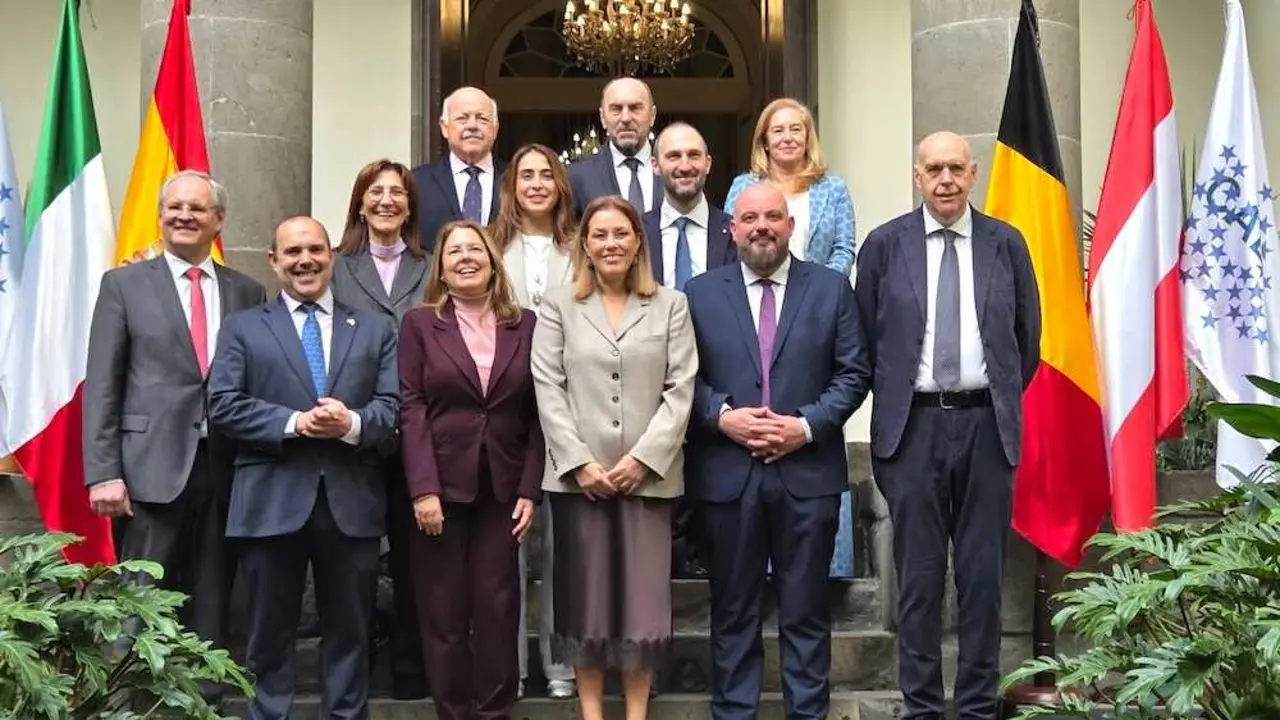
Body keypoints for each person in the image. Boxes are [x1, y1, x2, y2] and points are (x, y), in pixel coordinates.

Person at [854, 131, 1040, 720]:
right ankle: (923, 709)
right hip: (913, 431)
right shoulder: (885, 246)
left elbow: (1026, 343)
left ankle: (978, 707)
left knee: (982, 581)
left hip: (987, 428)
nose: (945, 180)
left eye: (956, 168)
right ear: (917, 176)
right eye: (934, 169)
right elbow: (866, 340)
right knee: (919, 581)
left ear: (973, 173)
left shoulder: (1006, 244)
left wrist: (989, 397)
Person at [684, 183, 867, 720]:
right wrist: (723, 417)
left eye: (772, 217)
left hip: (807, 473)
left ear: (790, 226)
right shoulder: (700, 293)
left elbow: (854, 372)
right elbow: (680, 376)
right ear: (732, 229)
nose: (761, 226)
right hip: (728, 474)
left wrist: (805, 427)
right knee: (733, 612)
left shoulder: (831, 289)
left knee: (806, 613)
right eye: (749, 218)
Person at [83, 170, 267, 703]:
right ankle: (126, 704)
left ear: (219, 220)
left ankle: (204, 704)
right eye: (175, 207)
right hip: (147, 469)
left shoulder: (247, 291)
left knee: (213, 601)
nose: (184, 215)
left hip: (225, 469)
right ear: (161, 215)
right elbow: (103, 383)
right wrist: (104, 472)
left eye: (197, 208)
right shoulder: (123, 285)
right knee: (139, 603)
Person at [208, 216, 400, 720]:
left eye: (315, 249)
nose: (305, 261)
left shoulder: (375, 328)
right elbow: (222, 405)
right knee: (267, 637)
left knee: (351, 634)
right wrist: (295, 422)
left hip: (351, 503)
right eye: (292, 252)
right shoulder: (243, 327)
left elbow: (393, 409)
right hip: (269, 502)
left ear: (331, 256)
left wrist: (351, 423)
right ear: (274, 261)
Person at [530, 196, 697, 720]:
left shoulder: (671, 305)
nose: (610, 244)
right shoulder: (558, 305)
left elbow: (681, 388)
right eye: (599, 235)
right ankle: (591, 714)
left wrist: (644, 459)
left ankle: (637, 714)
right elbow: (547, 386)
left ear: (638, 242)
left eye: (621, 234)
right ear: (585, 245)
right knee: (586, 606)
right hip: (580, 482)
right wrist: (579, 462)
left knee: (643, 611)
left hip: (648, 480)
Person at [399, 220, 542, 720]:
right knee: (444, 614)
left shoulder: (526, 324)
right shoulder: (420, 325)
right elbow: (412, 407)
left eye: (474, 249)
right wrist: (423, 489)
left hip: (503, 488)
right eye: (454, 251)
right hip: (440, 487)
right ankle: (453, 712)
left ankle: (496, 711)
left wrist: (530, 488)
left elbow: (539, 411)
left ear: (492, 261)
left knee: (498, 609)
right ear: (440, 268)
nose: (465, 258)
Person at [723, 96, 858, 579]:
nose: (786, 137)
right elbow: (732, 246)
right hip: (757, 309)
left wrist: (816, 297)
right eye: (777, 130)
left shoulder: (833, 188)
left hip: (815, 317)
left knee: (817, 422)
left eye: (795, 129)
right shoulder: (743, 187)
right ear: (764, 139)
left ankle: (829, 564)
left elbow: (844, 247)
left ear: (808, 137)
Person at [329, 158, 432, 699]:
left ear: (410, 206)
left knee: (416, 563)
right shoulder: (335, 266)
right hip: (355, 435)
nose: (387, 200)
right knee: (354, 561)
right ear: (360, 203)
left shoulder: (433, 265)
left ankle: (412, 671)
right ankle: (355, 673)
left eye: (397, 192)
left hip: (419, 436)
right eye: (376, 192)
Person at [490, 143, 578, 699]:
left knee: (564, 547)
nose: (538, 183)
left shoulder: (582, 245)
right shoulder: (491, 245)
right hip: (509, 407)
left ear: (560, 185)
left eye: (547, 174)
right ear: (512, 186)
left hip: (572, 405)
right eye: (526, 175)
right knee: (510, 543)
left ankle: (561, 664)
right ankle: (512, 667)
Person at [643, 121, 736, 580]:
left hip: (720, 382)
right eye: (673, 156)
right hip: (646, 385)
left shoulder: (735, 231)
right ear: (655, 165)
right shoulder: (633, 232)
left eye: (693, 155)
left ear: (708, 164)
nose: (684, 165)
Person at [413, 86, 505, 253]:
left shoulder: (514, 179)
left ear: (495, 129)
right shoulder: (417, 182)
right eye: (462, 118)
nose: (472, 126)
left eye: (482, 119)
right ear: (444, 128)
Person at [569, 77, 662, 217]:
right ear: (602, 117)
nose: (625, 118)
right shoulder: (578, 176)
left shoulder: (673, 169)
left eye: (635, 108)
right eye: (616, 109)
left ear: (652, 116)